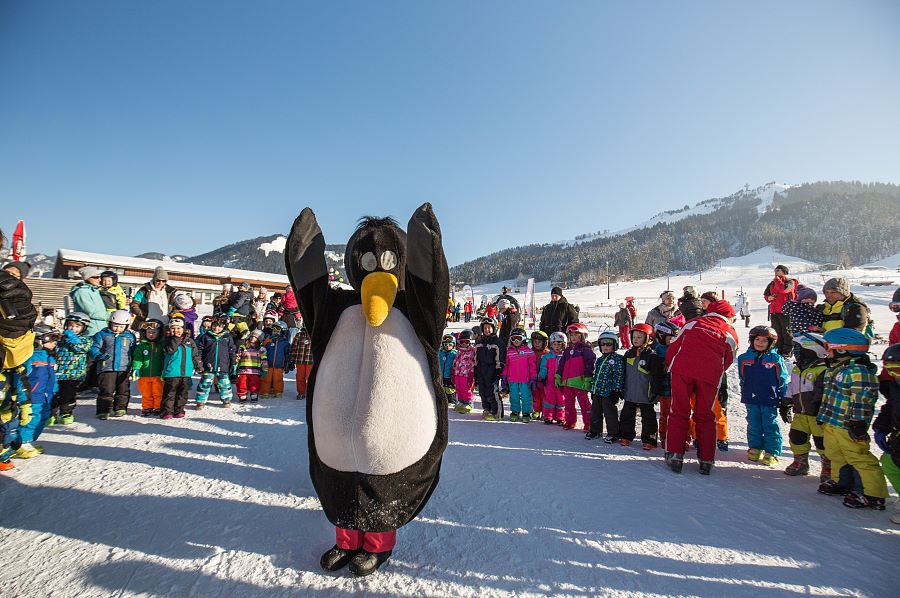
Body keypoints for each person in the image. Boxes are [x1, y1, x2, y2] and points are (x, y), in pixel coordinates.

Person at [664, 299, 738, 475]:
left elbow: (674, 346)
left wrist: (670, 364)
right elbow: (729, 359)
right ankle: (706, 459)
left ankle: (675, 454)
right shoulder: (730, 332)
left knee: (679, 411)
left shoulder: (693, 323)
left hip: (682, 370)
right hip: (710, 375)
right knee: (705, 415)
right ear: (729, 316)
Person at [816, 328, 887, 510]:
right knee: (835, 454)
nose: (826, 351)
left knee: (858, 457)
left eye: (828, 347)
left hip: (848, 424)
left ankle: (872, 493)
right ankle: (843, 482)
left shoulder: (858, 371)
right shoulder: (837, 368)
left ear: (842, 349)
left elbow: (862, 399)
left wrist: (858, 422)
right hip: (833, 421)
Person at [737, 326, 790, 466]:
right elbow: (742, 377)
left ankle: (772, 451)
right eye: (757, 339)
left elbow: (782, 379)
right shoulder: (743, 358)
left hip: (769, 397)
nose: (760, 342)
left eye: (764, 340)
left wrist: (785, 398)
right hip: (751, 397)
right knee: (753, 423)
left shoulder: (775, 359)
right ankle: (755, 447)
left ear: (771, 343)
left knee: (769, 425)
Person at [780, 332, 830, 479]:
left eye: (798, 348)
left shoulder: (822, 370)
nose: (796, 352)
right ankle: (801, 462)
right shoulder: (798, 368)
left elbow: (822, 392)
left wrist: (819, 408)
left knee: (822, 441)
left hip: (817, 415)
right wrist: (785, 402)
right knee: (796, 437)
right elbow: (792, 386)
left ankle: (828, 466)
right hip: (800, 414)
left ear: (811, 350)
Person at [12, 324, 59, 458]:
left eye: (55, 339)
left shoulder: (50, 357)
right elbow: (22, 377)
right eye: (51, 339)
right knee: (31, 419)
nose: (54, 343)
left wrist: (54, 392)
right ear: (38, 341)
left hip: (46, 396)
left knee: (42, 418)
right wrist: (22, 395)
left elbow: (52, 378)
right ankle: (20, 444)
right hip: (33, 395)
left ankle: (29, 441)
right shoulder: (30, 356)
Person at [619, 323, 664, 449]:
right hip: (630, 393)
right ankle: (626, 436)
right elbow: (623, 373)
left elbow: (657, 376)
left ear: (648, 339)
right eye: (634, 337)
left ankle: (649, 439)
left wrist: (655, 392)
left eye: (639, 337)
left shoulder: (652, 356)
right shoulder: (628, 354)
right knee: (627, 415)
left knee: (648, 418)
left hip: (646, 393)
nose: (636, 340)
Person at [90, 309, 137, 420]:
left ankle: (120, 407)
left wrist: (134, 366)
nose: (117, 329)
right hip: (106, 367)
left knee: (123, 389)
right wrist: (98, 356)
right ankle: (103, 410)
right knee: (106, 390)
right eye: (115, 325)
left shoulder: (129, 337)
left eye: (121, 326)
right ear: (110, 323)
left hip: (124, 368)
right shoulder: (102, 334)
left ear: (126, 326)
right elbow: (94, 347)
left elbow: (134, 351)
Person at [48, 312, 92, 425]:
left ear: (84, 328)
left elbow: (80, 348)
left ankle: (66, 412)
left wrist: (71, 337)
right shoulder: (61, 339)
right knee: (53, 394)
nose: (73, 328)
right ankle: (51, 414)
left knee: (67, 395)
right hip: (57, 372)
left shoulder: (85, 340)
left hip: (72, 373)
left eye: (77, 326)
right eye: (70, 325)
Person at [873, 344, 900, 523]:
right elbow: (890, 407)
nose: (895, 374)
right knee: (889, 463)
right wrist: (881, 427)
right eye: (890, 370)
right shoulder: (896, 386)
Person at [159, 317, 201, 419]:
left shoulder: (190, 342)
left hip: (186, 373)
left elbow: (195, 355)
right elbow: (169, 350)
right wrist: (176, 339)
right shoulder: (167, 341)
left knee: (182, 393)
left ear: (183, 329)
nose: (176, 331)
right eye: (173, 328)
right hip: (172, 372)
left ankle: (179, 409)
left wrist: (199, 366)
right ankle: (167, 411)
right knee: (170, 393)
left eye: (178, 328)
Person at [556, 322, 595, 431]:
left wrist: (588, 378)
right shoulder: (567, 350)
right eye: (571, 335)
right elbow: (562, 364)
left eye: (576, 336)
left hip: (580, 381)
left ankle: (589, 423)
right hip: (567, 382)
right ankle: (570, 421)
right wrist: (558, 375)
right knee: (568, 402)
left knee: (584, 403)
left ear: (582, 336)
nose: (573, 338)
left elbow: (590, 364)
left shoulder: (585, 350)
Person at [587, 330, 624, 442]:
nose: (605, 347)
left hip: (609, 392)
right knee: (595, 412)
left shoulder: (617, 359)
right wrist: (593, 390)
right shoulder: (599, 360)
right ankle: (595, 430)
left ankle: (613, 432)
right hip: (598, 391)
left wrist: (616, 391)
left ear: (615, 345)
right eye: (603, 344)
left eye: (608, 344)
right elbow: (596, 376)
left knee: (610, 413)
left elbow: (619, 376)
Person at [195, 315, 237, 409]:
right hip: (208, 364)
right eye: (214, 326)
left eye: (219, 326)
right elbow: (200, 350)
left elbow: (231, 350)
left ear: (223, 327)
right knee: (205, 383)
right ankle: (200, 401)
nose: (216, 328)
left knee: (224, 384)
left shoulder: (227, 337)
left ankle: (226, 399)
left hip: (223, 364)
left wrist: (233, 362)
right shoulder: (206, 336)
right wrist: (199, 363)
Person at [653, 321, 680, 447]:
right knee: (665, 414)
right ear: (661, 337)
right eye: (671, 338)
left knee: (679, 415)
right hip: (664, 390)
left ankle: (683, 436)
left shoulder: (677, 349)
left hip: (677, 389)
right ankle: (664, 436)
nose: (673, 340)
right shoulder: (656, 352)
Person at [132, 319, 166, 416]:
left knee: (158, 392)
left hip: (158, 374)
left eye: (154, 332)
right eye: (149, 332)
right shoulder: (141, 346)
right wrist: (136, 368)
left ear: (159, 333)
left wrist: (164, 370)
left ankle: (157, 407)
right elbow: (138, 358)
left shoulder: (161, 345)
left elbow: (165, 358)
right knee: (146, 393)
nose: (151, 334)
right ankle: (147, 407)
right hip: (144, 374)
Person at [474, 316, 505, 421]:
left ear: (494, 328)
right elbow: (475, 358)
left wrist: (498, 371)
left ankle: (497, 412)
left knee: (492, 391)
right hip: (481, 369)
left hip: (492, 370)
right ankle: (487, 408)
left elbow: (500, 358)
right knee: (482, 391)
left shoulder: (497, 342)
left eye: (489, 328)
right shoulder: (479, 342)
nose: (487, 330)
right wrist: (475, 371)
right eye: (485, 328)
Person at [781, 285, 824, 358]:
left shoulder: (813, 310)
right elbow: (797, 321)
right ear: (800, 299)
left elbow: (817, 318)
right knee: (802, 353)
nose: (810, 300)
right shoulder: (796, 309)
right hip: (800, 335)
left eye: (812, 299)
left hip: (812, 336)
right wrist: (810, 327)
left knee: (813, 353)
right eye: (806, 298)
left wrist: (819, 326)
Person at [763, 265, 797, 356]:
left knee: (786, 332)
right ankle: (778, 350)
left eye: (778, 270)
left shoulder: (790, 282)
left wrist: (777, 280)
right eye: (775, 269)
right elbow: (766, 295)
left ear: (784, 271)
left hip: (786, 311)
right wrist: (768, 298)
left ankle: (787, 352)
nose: (776, 271)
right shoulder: (772, 283)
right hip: (774, 311)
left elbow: (783, 289)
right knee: (776, 332)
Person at [503, 327, 535, 422]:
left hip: (525, 379)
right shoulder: (509, 351)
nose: (516, 341)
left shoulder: (529, 351)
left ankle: (526, 412)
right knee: (514, 396)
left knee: (526, 396)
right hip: (512, 379)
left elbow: (532, 366)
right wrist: (504, 377)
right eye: (513, 338)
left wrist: (533, 377)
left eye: (519, 338)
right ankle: (515, 411)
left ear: (524, 338)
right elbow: (506, 365)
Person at [70, 266, 109, 336]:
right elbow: (91, 312)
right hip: (91, 330)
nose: (99, 279)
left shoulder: (94, 290)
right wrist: (109, 316)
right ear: (87, 278)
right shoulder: (81, 292)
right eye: (96, 277)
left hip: (100, 328)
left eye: (100, 277)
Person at [539, 332, 566, 425]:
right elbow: (544, 367)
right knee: (549, 400)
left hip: (561, 383)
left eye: (559, 344)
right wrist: (541, 376)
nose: (557, 346)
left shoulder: (565, 356)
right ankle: (548, 416)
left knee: (561, 400)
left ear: (564, 344)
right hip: (550, 382)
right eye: (554, 344)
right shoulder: (548, 356)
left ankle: (560, 417)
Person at [235, 329, 268, 403]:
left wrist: (265, 369)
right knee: (242, 383)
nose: (253, 338)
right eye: (251, 336)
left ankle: (254, 394)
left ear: (259, 340)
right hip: (243, 370)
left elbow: (264, 360)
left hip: (255, 371)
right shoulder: (243, 347)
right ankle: (242, 395)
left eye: (255, 337)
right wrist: (235, 366)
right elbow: (238, 357)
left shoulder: (261, 349)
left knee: (254, 383)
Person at [260, 321, 290, 398]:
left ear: (283, 331)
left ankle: (278, 392)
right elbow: (262, 349)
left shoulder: (284, 342)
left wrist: (287, 363)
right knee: (266, 379)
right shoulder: (268, 340)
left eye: (277, 329)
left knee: (278, 380)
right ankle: (265, 392)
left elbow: (287, 353)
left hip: (279, 365)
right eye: (273, 329)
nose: (275, 331)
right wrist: (267, 341)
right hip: (267, 364)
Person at [289, 322, 314, 400]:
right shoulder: (299, 335)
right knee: (300, 377)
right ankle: (301, 392)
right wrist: (291, 359)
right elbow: (294, 348)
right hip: (300, 361)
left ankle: (311, 393)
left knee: (310, 378)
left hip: (311, 361)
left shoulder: (315, 336)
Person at [529, 331, 549, 420]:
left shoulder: (548, 353)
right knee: (535, 395)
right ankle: (537, 410)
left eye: (539, 342)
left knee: (545, 396)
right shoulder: (530, 353)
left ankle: (545, 411)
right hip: (534, 379)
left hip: (545, 380)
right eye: (535, 342)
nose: (537, 344)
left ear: (545, 343)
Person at [439, 334, 458, 406]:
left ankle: (451, 400)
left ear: (453, 345)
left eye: (450, 345)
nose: (448, 346)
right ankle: (443, 400)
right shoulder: (440, 353)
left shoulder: (454, 353)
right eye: (446, 344)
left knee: (450, 388)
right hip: (441, 374)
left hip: (450, 375)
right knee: (443, 388)